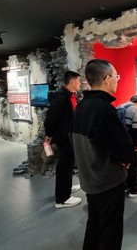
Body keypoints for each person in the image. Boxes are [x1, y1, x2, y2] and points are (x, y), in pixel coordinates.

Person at [71, 59, 134, 250]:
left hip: (90, 179)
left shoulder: (81, 106)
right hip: (107, 181)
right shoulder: (104, 109)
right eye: (116, 76)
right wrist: (125, 160)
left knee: (95, 227)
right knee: (110, 234)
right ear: (107, 79)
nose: (117, 80)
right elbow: (124, 148)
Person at [44, 70, 82, 209]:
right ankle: (62, 198)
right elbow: (50, 118)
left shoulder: (71, 96)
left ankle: (67, 187)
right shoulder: (60, 98)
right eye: (78, 81)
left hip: (69, 136)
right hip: (64, 137)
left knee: (68, 164)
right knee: (64, 166)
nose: (80, 83)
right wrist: (49, 135)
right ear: (72, 81)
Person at [116, 95, 137, 198]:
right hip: (129, 141)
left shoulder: (120, 106)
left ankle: (125, 185)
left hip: (119, 141)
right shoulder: (135, 109)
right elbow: (136, 129)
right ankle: (134, 189)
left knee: (124, 165)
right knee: (132, 165)